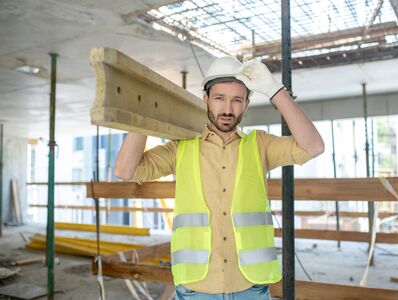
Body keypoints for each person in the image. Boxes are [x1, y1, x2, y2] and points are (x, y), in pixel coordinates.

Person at [114, 57, 324, 299]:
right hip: (197, 288)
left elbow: (314, 147)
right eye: (219, 98)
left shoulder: (259, 144)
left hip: (251, 287)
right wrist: (146, 114)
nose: (227, 109)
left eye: (236, 100)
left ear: (246, 104)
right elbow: (125, 170)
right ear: (206, 100)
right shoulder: (181, 148)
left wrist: (274, 91)